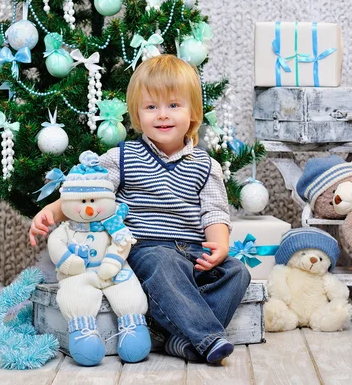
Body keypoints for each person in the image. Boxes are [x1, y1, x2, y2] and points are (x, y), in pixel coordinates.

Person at [30, 54, 251, 364]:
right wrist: (52, 212)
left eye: (173, 105)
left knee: (237, 272)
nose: (162, 115)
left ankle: (180, 340)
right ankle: (208, 337)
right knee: (163, 263)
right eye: (151, 107)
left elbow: (214, 213)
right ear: (136, 114)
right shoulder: (124, 157)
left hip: (192, 251)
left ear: (194, 113)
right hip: (145, 249)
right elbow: (88, 193)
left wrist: (220, 245)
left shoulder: (206, 165)